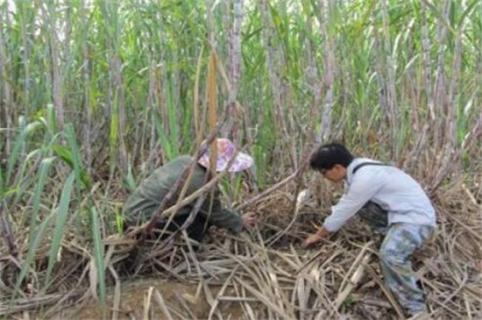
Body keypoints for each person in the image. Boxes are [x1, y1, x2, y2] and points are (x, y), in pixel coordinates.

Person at [303, 142, 436, 319]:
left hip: (415, 220)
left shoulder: (364, 178)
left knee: (390, 256)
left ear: (337, 168)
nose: (324, 177)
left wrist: (318, 235)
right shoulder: (360, 169)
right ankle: (388, 236)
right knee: (362, 205)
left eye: (323, 172)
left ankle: (416, 308)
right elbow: (346, 204)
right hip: (399, 215)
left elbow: (344, 211)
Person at [123, 138, 257, 245]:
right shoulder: (200, 181)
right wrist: (239, 221)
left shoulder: (185, 160)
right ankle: (182, 251)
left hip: (132, 213)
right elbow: (214, 213)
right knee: (200, 223)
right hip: (143, 224)